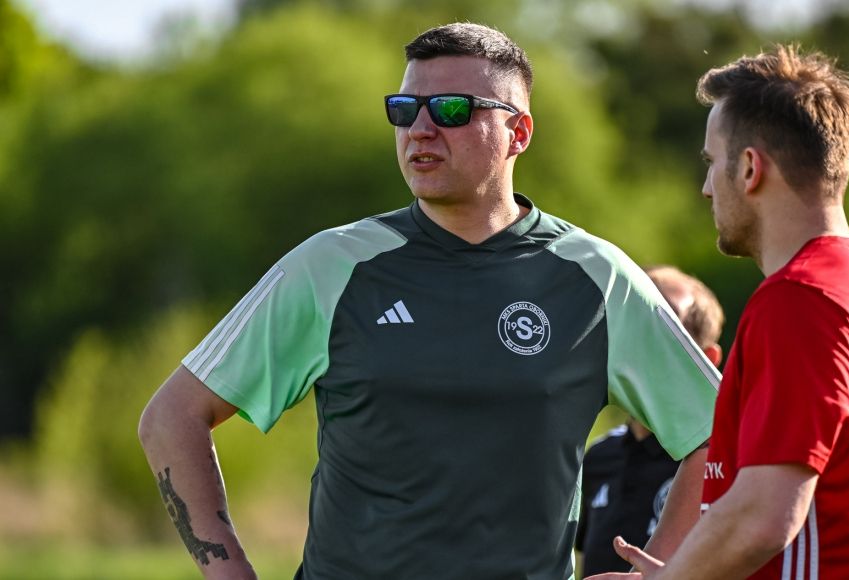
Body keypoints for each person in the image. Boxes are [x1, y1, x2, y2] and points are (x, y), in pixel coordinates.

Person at [137, 22, 721, 580]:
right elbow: (171, 419)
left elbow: (720, 432)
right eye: (404, 109)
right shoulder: (331, 265)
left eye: (451, 110)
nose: (420, 129)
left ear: (519, 133)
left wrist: (663, 570)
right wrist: (229, 571)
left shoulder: (597, 276)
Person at [588, 44, 849, 579]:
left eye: (712, 164)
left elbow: (763, 515)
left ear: (750, 168)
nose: (706, 188)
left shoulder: (801, 299)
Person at [577, 265, 725, 576]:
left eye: (665, 318)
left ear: (707, 358)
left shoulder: (719, 463)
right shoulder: (598, 455)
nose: (637, 333)